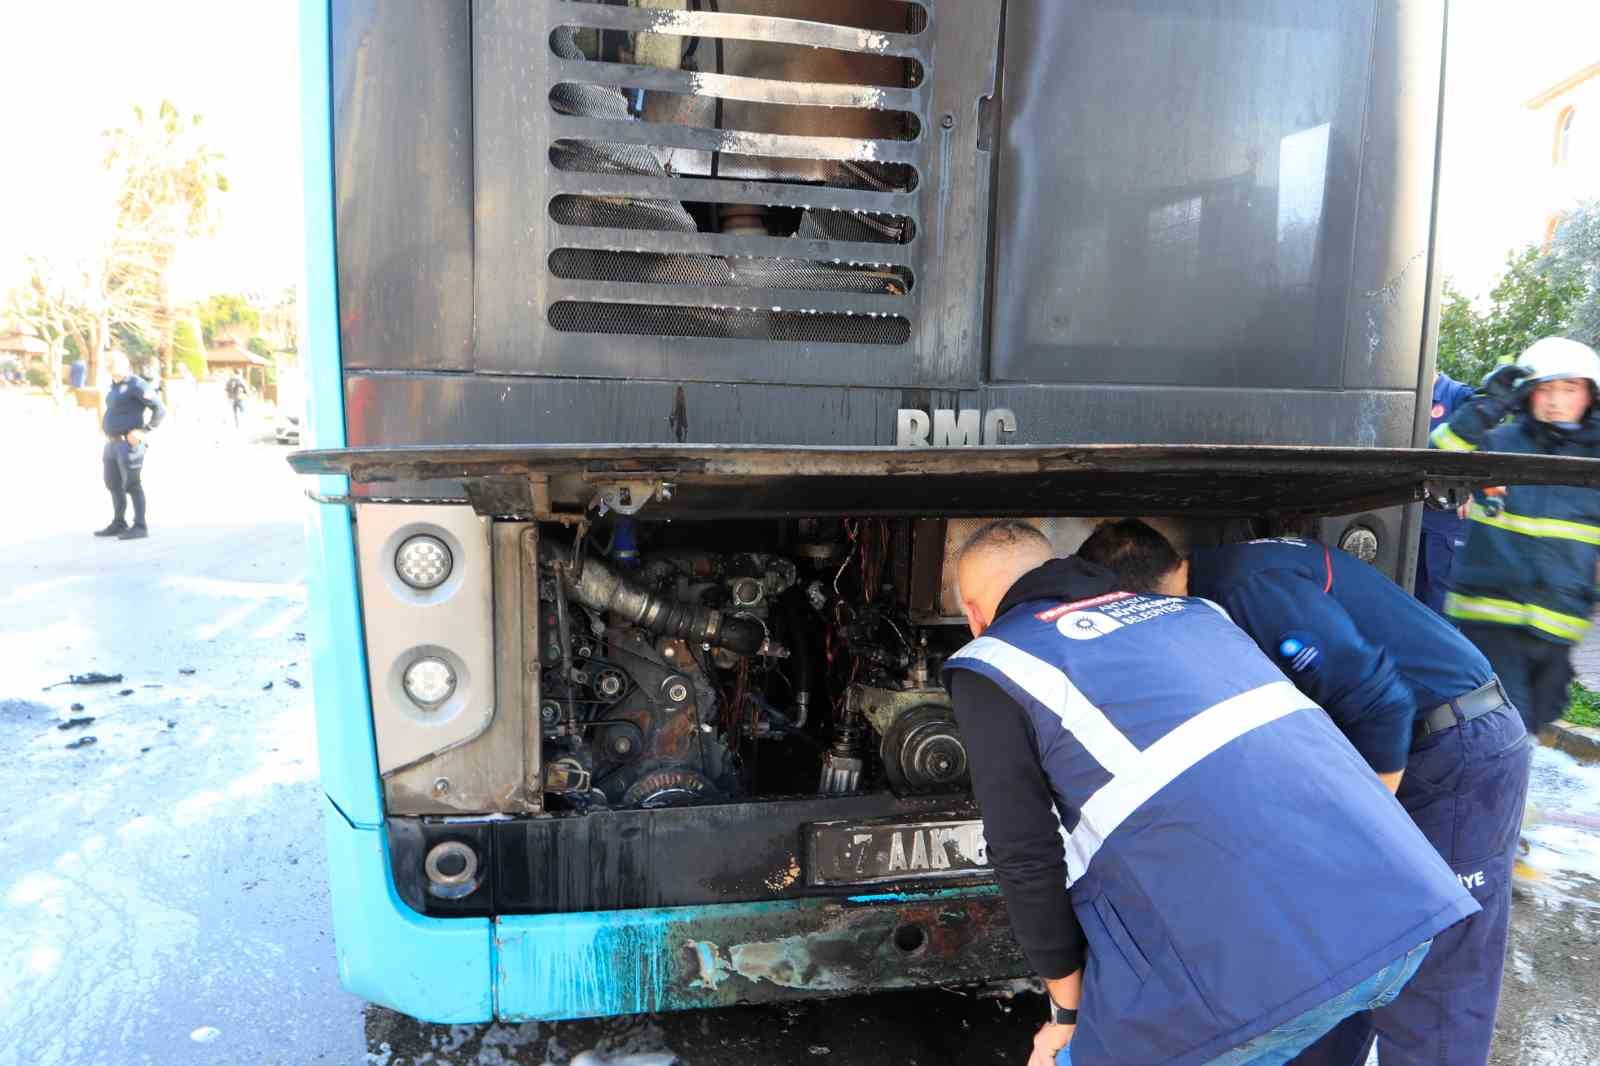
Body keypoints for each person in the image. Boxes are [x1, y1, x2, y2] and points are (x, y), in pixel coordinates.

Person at [945, 522, 1476, 1066]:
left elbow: (1025, 855)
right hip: (1399, 923)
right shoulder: (1199, 612)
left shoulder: (995, 662)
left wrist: (1066, 1019)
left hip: (1264, 978)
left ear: (974, 613)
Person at [1078, 520, 1531, 1066]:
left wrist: (1368, 835)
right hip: (1406, 749)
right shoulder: (1223, 583)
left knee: (1435, 983)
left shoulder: (1247, 590)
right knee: (1343, 960)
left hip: (1454, 750)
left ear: (1139, 597)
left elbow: (1380, 702)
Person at [1430, 336, 1600, 733]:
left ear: (1590, 394)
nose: (1555, 400)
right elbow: (1438, 462)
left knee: (1537, 718)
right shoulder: (1499, 443)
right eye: (1544, 389)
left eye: (1569, 388)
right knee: (1505, 725)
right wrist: (1487, 407)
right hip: (1489, 615)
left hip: (1559, 623)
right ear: (1526, 394)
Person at [1415, 370, 1477, 613]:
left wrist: (1474, 487)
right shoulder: (1407, 398)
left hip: (1448, 516)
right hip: (1408, 514)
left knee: (1442, 596)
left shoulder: (1460, 396)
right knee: (1409, 590)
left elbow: (1489, 438)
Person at [96, 349, 165, 540]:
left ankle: (140, 526)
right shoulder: (114, 386)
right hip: (111, 444)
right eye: (108, 362)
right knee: (112, 483)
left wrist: (144, 431)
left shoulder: (137, 384)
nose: (110, 365)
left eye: (114, 362)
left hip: (128, 444)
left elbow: (160, 409)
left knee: (132, 485)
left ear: (125, 363)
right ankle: (119, 522)